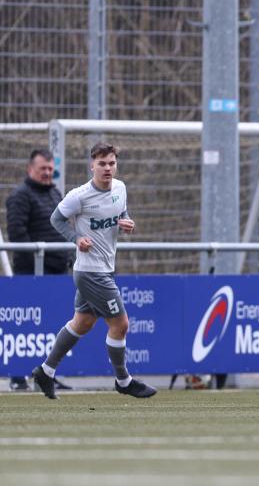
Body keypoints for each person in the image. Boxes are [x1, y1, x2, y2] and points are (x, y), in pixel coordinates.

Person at [31, 143, 156, 399]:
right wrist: (76, 238)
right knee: (120, 324)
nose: (107, 168)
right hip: (90, 272)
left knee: (83, 322)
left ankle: (46, 371)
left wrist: (127, 222)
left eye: (111, 163)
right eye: (102, 163)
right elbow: (56, 219)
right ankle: (123, 380)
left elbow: (121, 213)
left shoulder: (120, 188)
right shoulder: (80, 195)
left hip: (105, 268)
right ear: (92, 166)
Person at [5, 150, 73, 392]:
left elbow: (65, 229)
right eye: (42, 168)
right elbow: (17, 235)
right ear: (30, 169)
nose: (47, 173)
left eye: (49, 168)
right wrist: (38, 263)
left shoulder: (55, 194)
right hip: (32, 275)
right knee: (25, 326)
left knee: (52, 327)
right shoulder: (21, 196)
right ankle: (17, 377)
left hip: (57, 274)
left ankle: (47, 376)